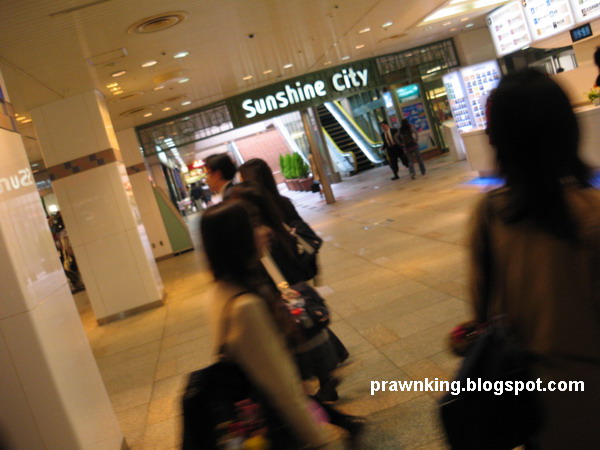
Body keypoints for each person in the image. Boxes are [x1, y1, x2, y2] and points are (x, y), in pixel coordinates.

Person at [469, 68, 600, 448]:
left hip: (531, 405)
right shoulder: (592, 214)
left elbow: (483, 312)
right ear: (567, 128)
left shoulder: (492, 215)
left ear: (500, 141)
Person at [201, 201, 330, 448]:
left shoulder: (217, 292)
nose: (265, 231)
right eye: (254, 225)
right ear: (237, 239)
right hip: (276, 431)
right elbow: (284, 392)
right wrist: (320, 441)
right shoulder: (245, 307)